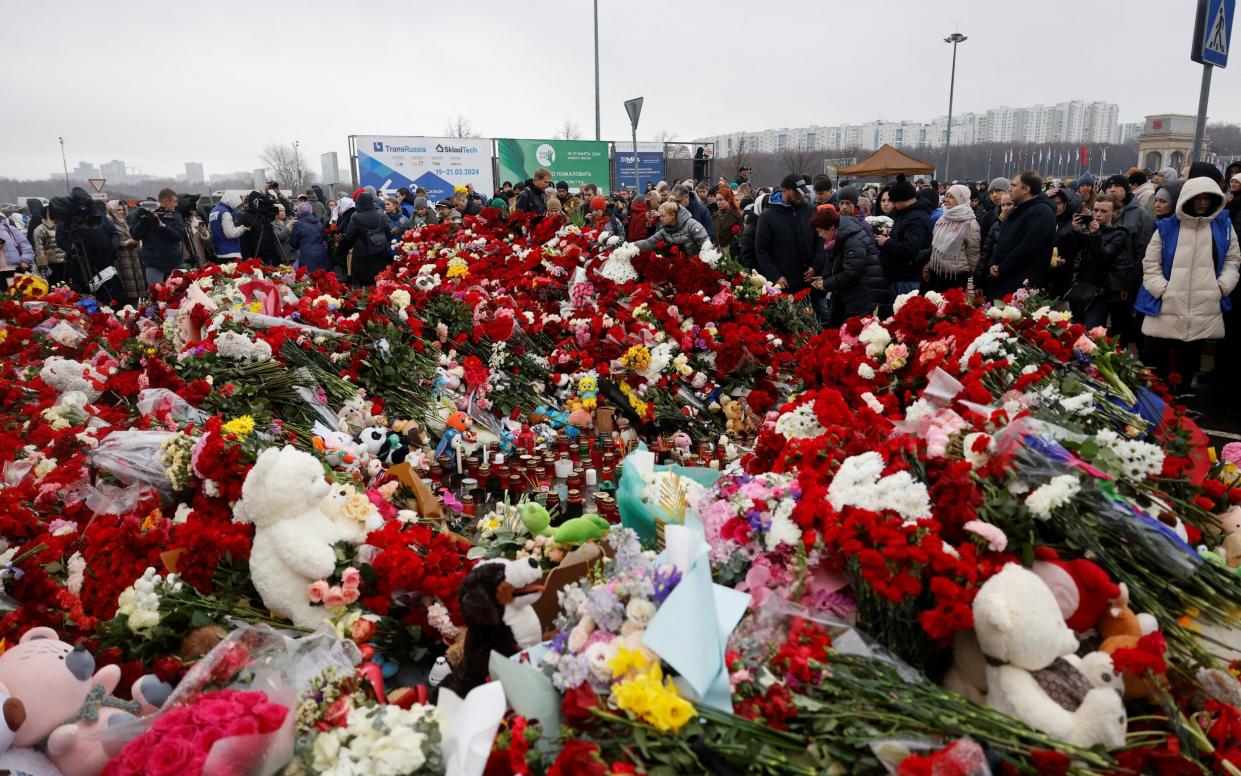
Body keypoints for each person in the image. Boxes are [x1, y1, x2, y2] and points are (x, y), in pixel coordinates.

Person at [1137, 175, 1241, 395]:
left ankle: (1181, 411)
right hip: (1166, 306)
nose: (1202, 202)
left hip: (1205, 307)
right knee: (1158, 367)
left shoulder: (1223, 226)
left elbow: (1233, 260)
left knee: (1188, 365)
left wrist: (1222, 287)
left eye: (1207, 198)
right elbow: (1151, 263)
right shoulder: (1166, 227)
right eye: (1197, 198)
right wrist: (1162, 290)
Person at [805, 205, 889, 327]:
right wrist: (826, 278)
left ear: (831, 227)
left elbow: (852, 273)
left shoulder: (852, 240)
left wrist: (827, 284)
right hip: (856, 296)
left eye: (820, 231)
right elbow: (840, 265)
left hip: (865, 296)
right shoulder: (841, 237)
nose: (820, 236)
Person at [983, 171, 1057, 298]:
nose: (1009, 189)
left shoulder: (1042, 212)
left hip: (1022, 284)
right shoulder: (1017, 209)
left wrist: (1002, 268)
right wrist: (993, 263)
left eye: (1013, 185)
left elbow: (1028, 247)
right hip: (1005, 279)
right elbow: (1003, 243)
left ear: (1026, 189)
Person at [1066, 194, 1132, 329]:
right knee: (1073, 331)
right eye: (1095, 210)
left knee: (1092, 333)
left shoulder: (1119, 233)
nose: (1098, 214)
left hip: (1099, 292)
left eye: (1104, 211)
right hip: (1079, 287)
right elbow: (1071, 252)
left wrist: (1095, 235)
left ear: (1114, 212)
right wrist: (1075, 231)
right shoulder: (1087, 228)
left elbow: (1103, 258)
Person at [755, 174, 814, 291]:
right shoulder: (767, 216)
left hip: (809, 280)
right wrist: (775, 275)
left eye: (802, 192)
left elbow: (820, 240)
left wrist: (816, 265)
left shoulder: (810, 210)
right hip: (784, 282)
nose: (800, 196)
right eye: (796, 192)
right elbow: (761, 250)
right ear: (784, 190)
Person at [876, 174, 933, 296]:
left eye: (894, 201)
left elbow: (911, 248)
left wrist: (887, 242)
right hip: (899, 275)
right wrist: (890, 236)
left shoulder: (916, 218)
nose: (892, 205)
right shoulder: (906, 214)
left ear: (903, 199)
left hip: (907, 277)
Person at [922, 184, 981, 291]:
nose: (947, 199)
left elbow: (973, 253)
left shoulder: (970, 223)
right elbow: (933, 246)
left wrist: (972, 279)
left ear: (960, 199)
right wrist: (927, 267)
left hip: (956, 277)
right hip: (937, 272)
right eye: (947, 196)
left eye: (951, 197)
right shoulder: (942, 218)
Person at [1103, 175, 1155, 289]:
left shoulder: (1141, 216)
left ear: (1126, 190)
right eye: (1109, 186)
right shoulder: (1100, 211)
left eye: (1117, 186)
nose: (1112, 189)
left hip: (1124, 280)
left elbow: (1143, 252)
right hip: (1101, 278)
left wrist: (1130, 281)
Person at [130, 187, 187, 285]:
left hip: (175, 261)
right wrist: (145, 221)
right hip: (154, 263)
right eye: (174, 201)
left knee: (184, 292)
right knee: (156, 294)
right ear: (166, 201)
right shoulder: (144, 214)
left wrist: (163, 226)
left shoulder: (176, 216)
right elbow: (135, 235)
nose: (176, 204)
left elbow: (179, 236)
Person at [339, 192, 392, 286]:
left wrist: (344, 247)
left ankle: (363, 300)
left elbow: (349, 237)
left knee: (361, 283)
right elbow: (388, 235)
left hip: (362, 255)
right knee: (378, 281)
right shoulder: (381, 214)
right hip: (379, 254)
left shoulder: (356, 216)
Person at [632, 201, 709, 256]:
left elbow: (706, 246)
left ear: (672, 215)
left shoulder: (693, 225)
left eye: (663, 216)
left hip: (695, 267)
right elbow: (649, 243)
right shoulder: (665, 230)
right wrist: (631, 246)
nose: (660, 219)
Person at [1048, 186, 1084, 298]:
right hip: (1045, 273)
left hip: (1063, 277)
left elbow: (1076, 250)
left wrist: (1065, 261)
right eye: (1052, 203)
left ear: (1066, 204)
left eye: (1058, 203)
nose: (1055, 206)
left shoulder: (1073, 224)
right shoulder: (1047, 219)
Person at [289, 202, 330, 273]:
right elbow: (323, 237)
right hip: (321, 255)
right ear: (311, 211)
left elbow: (293, 243)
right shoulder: (319, 223)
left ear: (300, 212)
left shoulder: (298, 224)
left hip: (306, 256)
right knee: (321, 278)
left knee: (308, 280)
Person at [31, 208, 66, 285]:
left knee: (66, 287)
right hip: (52, 264)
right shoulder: (40, 229)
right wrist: (43, 267)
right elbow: (39, 249)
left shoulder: (60, 226)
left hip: (65, 262)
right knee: (54, 286)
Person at [209, 192, 249, 260]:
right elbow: (230, 234)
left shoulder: (214, 211)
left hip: (219, 251)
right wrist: (242, 228)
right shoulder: (225, 213)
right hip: (231, 252)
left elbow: (210, 231)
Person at [0, 209, 34, 287]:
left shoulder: (10, 229)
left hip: (13, 269)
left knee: (15, 295)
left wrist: (25, 260)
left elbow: (26, 246)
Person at [713, 185, 743, 254]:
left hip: (732, 252)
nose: (718, 203)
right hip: (718, 252)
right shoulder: (715, 215)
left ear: (728, 199)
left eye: (721, 200)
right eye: (717, 200)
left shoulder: (737, 215)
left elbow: (741, 237)